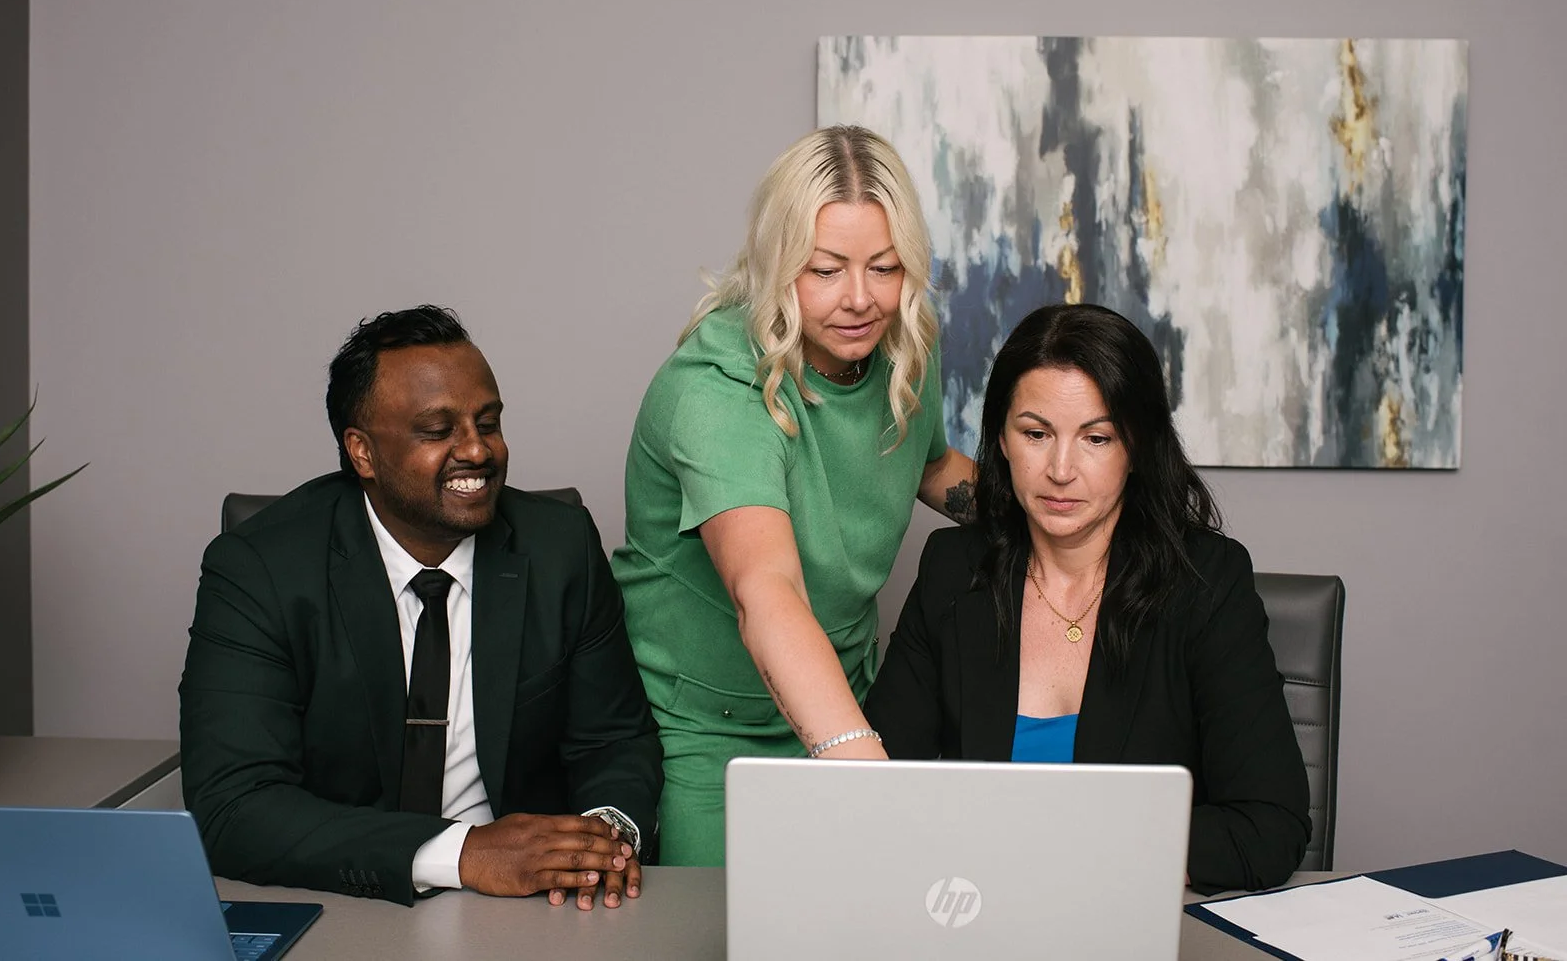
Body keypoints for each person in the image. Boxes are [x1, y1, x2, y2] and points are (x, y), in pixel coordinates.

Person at [179, 306, 662, 908]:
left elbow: (613, 740)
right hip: (343, 895)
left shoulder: (560, 547)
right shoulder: (259, 569)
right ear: (362, 453)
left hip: (531, 907)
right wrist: (462, 852)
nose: (478, 451)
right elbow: (234, 806)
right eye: (438, 432)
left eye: (488, 422)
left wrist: (604, 838)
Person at [611, 126, 977, 865]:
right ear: (777, 263)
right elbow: (765, 591)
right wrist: (872, 784)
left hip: (847, 696)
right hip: (715, 728)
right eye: (826, 270)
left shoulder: (903, 344)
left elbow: (930, 464)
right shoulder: (716, 392)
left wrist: (1064, 508)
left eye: (884, 267)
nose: (861, 299)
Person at [863, 303, 1311, 892]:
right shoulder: (954, 571)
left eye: (1096, 438)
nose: (1061, 469)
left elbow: (1269, 826)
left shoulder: (1207, 581)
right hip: (976, 912)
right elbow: (875, 791)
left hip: (1131, 921)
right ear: (1000, 440)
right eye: (1036, 433)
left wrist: (1081, 856)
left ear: (1138, 448)